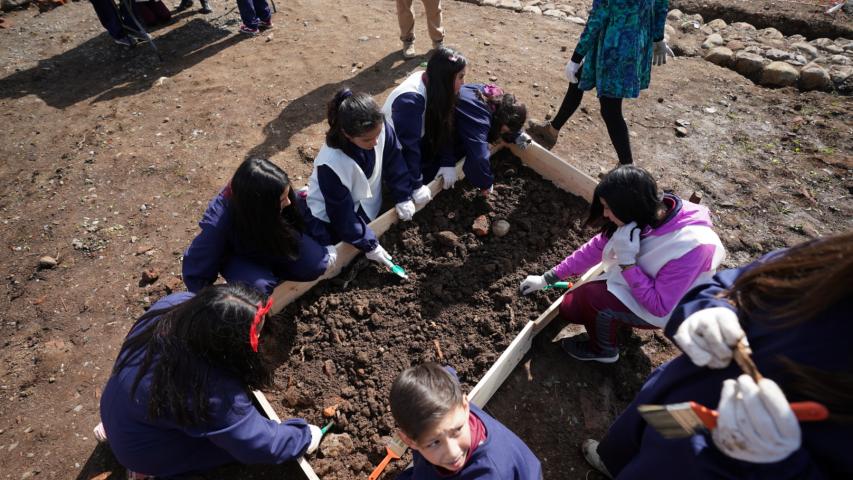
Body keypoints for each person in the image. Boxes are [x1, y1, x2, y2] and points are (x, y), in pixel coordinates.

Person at [581, 232, 853, 479]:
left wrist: (782, 466)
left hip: (711, 467)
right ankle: (613, 463)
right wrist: (711, 307)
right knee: (631, 442)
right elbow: (740, 282)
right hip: (678, 398)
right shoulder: (835, 260)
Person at [98, 284, 324, 478]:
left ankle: (122, 432)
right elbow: (259, 445)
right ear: (229, 347)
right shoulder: (211, 393)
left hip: (120, 408)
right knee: (228, 451)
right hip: (142, 450)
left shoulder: (176, 305)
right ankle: (148, 470)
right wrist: (304, 437)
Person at [519, 165, 725, 363]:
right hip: (638, 282)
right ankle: (614, 317)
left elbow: (659, 306)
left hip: (664, 307)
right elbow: (596, 248)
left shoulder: (693, 247)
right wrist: (548, 278)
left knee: (590, 299)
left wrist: (628, 264)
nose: (605, 214)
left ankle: (603, 351)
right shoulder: (643, 215)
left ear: (629, 207)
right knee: (569, 309)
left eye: (608, 208)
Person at [525, 0, 674, 164]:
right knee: (579, 79)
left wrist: (576, 57)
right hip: (635, 42)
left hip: (614, 48)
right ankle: (552, 129)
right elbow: (661, 5)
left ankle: (627, 168)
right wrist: (658, 37)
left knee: (610, 109)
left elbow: (597, 18)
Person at [182, 158, 334, 295]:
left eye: (287, 195)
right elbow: (196, 270)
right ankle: (262, 275)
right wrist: (205, 305)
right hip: (238, 254)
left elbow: (300, 212)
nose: (287, 202)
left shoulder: (273, 191)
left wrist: (325, 241)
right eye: (282, 200)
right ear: (260, 205)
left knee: (316, 263)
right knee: (257, 291)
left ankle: (273, 270)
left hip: (268, 235)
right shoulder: (218, 225)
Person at [303, 89, 416, 268]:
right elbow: (341, 214)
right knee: (338, 243)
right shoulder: (332, 163)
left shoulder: (380, 127)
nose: (375, 142)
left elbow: (394, 160)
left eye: (377, 135)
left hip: (365, 202)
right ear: (347, 134)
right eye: (367, 140)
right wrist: (369, 243)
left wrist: (403, 195)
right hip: (330, 214)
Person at [390, 362, 542, 479]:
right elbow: (449, 373)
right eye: (434, 442)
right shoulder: (450, 405)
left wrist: (432, 446)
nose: (453, 452)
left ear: (465, 406)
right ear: (409, 441)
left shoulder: (489, 473)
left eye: (457, 430)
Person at [382, 46, 467, 205]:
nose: (464, 83)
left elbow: (444, 121)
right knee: (411, 184)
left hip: (417, 133)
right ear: (446, 79)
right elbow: (409, 146)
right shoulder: (410, 101)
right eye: (460, 77)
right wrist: (417, 184)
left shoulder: (434, 82)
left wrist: (448, 161)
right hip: (394, 149)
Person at [437, 83, 527, 195]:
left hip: (453, 119)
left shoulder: (493, 96)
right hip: (437, 128)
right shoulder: (479, 119)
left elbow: (505, 120)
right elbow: (479, 157)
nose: (502, 133)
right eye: (503, 131)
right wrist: (486, 184)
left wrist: (517, 134)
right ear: (500, 119)